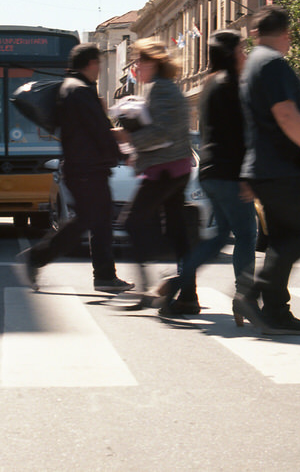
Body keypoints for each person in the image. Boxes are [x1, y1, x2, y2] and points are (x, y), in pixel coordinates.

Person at [232, 6, 300, 335]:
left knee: (281, 239)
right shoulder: (274, 64)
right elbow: (285, 115)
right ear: (287, 35)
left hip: (264, 167)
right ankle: (251, 296)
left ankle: (277, 311)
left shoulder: (251, 66)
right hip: (280, 168)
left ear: (255, 33)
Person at [158, 30, 257, 318]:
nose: (246, 54)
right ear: (231, 55)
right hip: (231, 173)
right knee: (246, 236)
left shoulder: (210, 84)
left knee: (219, 237)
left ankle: (178, 281)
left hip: (210, 170)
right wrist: (248, 175)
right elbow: (244, 135)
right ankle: (244, 297)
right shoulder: (235, 86)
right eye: (242, 49)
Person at [20, 43, 133, 294]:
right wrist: (121, 153)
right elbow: (98, 130)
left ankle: (104, 276)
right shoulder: (80, 90)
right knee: (88, 220)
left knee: (99, 221)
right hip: (86, 168)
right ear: (91, 63)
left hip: (85, 167)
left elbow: (92, 128)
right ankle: (38, 256)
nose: (100, 69)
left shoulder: (71, 88)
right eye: (99, 64)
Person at [114, 38, 192, 297]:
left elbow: (161, 133)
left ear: (151, 63)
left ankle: (150, 287)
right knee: (176, 231)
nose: (136, 67)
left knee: (133, 223)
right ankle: (187, 294)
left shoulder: (161, 89)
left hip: (164, 171)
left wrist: (129, 138)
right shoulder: (165, 88)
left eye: (139, 62)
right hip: (174, 169)